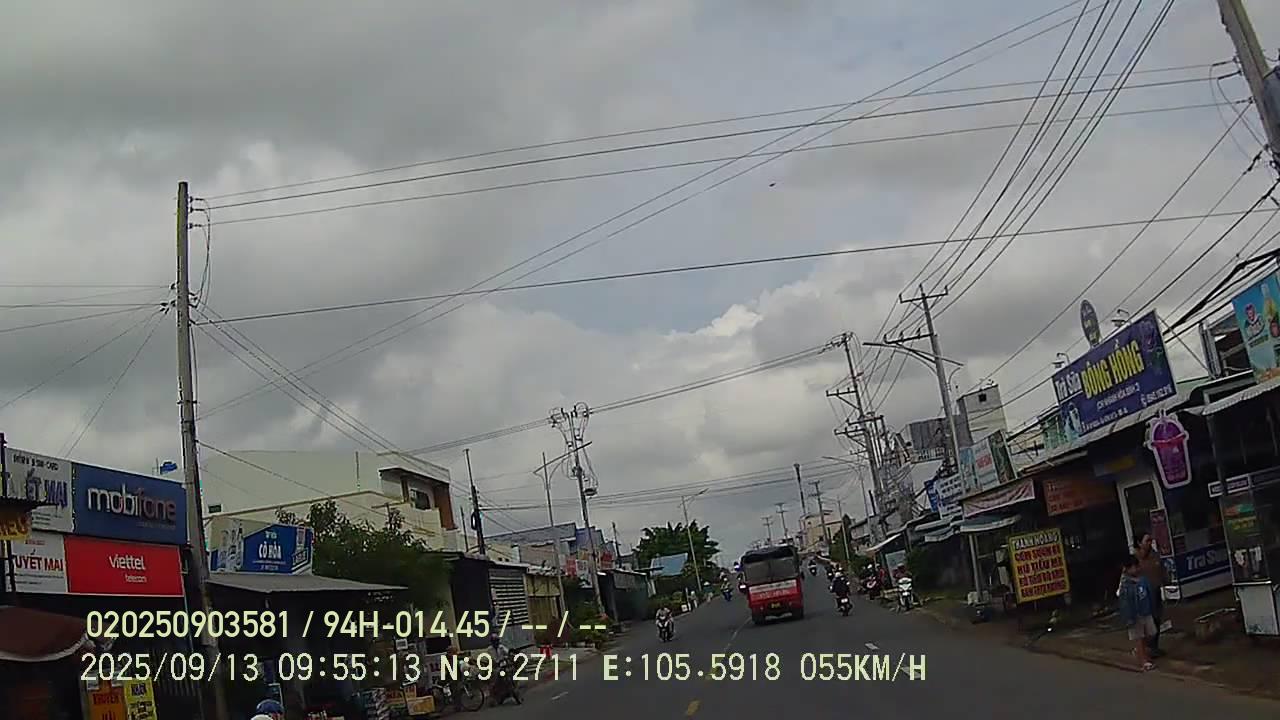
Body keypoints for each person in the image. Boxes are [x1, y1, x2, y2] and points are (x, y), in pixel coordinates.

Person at [1118, 554, 1156, 672]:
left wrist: (1152, 607)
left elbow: (1149, 593)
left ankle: (1140, 652)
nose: (1136, 569)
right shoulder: (1125, 584)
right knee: (1139, 637)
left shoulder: (1143, 579)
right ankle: (1143, 661)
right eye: (1133, 567)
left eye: (1136, 566)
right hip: (1135, 614)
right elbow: (1124, 603)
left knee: (1150, 634)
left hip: (1146, 611)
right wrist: (1128, 618)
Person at [1133, 533, 1167, 657]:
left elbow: (1161, 569)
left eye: (1150, 540)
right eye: (1146, 541)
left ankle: (1153, 647)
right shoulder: (1135, 559)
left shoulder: (1154, 555)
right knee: (1147, 622)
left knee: (1156, 619)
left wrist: (1165, 580)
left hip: (1155, 591)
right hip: (1143, 595)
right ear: (1139, 543)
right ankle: (1144, 648)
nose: (1149, 543)